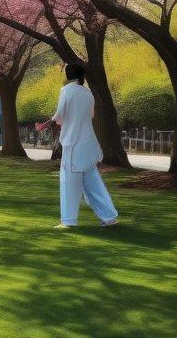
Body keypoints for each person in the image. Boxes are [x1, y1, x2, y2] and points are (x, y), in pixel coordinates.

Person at [39, 63, 120, 229]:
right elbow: (89, 115)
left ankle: (68, 221)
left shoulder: (66, 91)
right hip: (89, 144)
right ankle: (110, 217)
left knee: (69, 183)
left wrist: (48, 123)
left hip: (73, 143)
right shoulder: (88, 93)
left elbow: (60, 115)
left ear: (68, 74)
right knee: (94, 184)